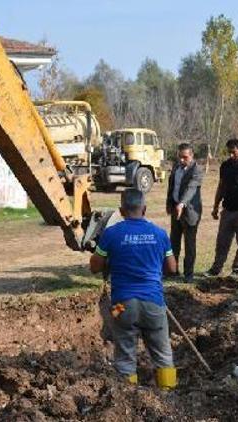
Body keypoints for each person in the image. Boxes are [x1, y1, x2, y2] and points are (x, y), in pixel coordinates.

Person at [90, 189, 178, 390]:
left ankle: (128, 399)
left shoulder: (111, 234)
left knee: (124, 353)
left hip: (121, 305)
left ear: (121, 211)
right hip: (154, 303)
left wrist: (111, 260)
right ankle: (168, 397)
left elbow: (95, 267)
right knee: (163, 354)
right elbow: (172, 268)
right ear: (144, 209)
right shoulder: (160, 234)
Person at [205, 138, 238, 278]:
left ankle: (237, 270)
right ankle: (216, 268)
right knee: (222, 241)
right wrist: (216, 206)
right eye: (228, 152)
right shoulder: (225, 165)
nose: (230, 155)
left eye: (233, 152)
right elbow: (221, 186)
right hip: (228, 210)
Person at [165, 143, 203, 282]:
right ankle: (172, 271)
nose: (181, 160)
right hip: (176, 209)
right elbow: (172, 186)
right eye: (179, 157)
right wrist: (170, 203)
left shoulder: (197, 170)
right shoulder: (176, 167)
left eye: (185, 157)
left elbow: (191, 188)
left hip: (190, 212)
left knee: (189, 244)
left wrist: (182, 203)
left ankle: (189, 274)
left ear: (191, 156)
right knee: (173, 242)